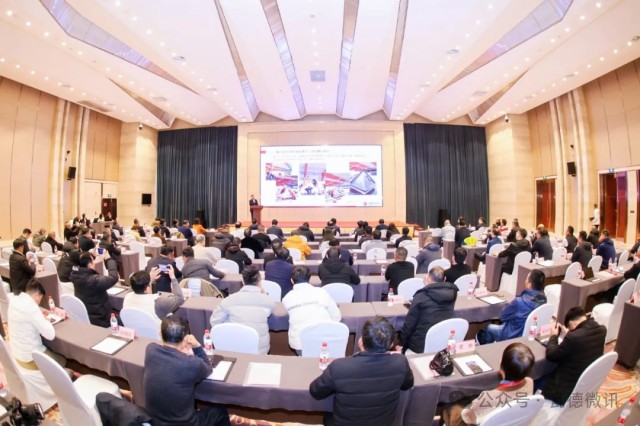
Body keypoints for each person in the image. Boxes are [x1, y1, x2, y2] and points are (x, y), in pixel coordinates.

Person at [309, 316, 414, 426]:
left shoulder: (339, 366)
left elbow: (315, 391)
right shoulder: (401, 363)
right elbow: (407, 385)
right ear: (391, 345)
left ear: (360, 342)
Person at [144, 316, 231, 426]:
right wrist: (197, 346)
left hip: (154, 421)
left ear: (160, 334)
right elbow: (208, 368)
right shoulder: (190, 363)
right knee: (221, 412)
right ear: (186, 338)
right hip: (184, 424)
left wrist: (182, 353)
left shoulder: (150, 350)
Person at [443, 343, 535, 425]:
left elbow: (468, 417)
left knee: (451, 406)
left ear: (502, 366)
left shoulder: (488, 396)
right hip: (512, 420)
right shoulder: (530, 382)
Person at [7, 280, 60, 409]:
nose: (39, 302)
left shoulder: (14, 300)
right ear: (37, 294)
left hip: (17, 353)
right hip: (30, 358)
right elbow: (50, 335)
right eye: (40, 298)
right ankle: (63, 385)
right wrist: (45, 320)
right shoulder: (31, 308)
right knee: (62, 359)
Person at [541, 306, 606, 406]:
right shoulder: (602, 330)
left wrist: (553, 336)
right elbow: (582, 338)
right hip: (587, 383)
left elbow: (551, 355)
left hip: (565, 390)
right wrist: (569, 334)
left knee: (541, 376)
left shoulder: (574, 337)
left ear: (571, 323)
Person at [209, 265, 276, 354]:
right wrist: (263, 293)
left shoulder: (228, 300)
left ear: (243, 281)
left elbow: (214, 322)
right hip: (259, 351)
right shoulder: (269, 301)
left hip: (233, 349)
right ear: (260, 282)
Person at [397, 267, 458, 354]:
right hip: (442, 341)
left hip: (420, 345)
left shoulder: (421, 295)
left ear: (428, 278)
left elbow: (410, 323)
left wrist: (400, 343)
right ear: (444, 279)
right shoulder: (452, 293)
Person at [282, 266, 341, 353]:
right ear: (309, 278)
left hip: (299, 344)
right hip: (324, 339)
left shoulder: (286, 298)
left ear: (292, 280)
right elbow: (337, 317)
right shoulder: (321, 292)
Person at [480, 270, 547, 343]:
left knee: (489, 328)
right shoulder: (544, 299)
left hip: (513, 335)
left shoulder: (519, 302)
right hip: (530, 334)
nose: (525, 281)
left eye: (526, 279)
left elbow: (503, 316)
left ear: (529, 284)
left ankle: (487, 348)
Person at [71, 252, 119, 327]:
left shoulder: (75, 275)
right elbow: (113, 278)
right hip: (101, 319)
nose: (94, 263)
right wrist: (109, 259)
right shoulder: (93, 280)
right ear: (89, 265)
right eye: (93, 261)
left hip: (87, 316)